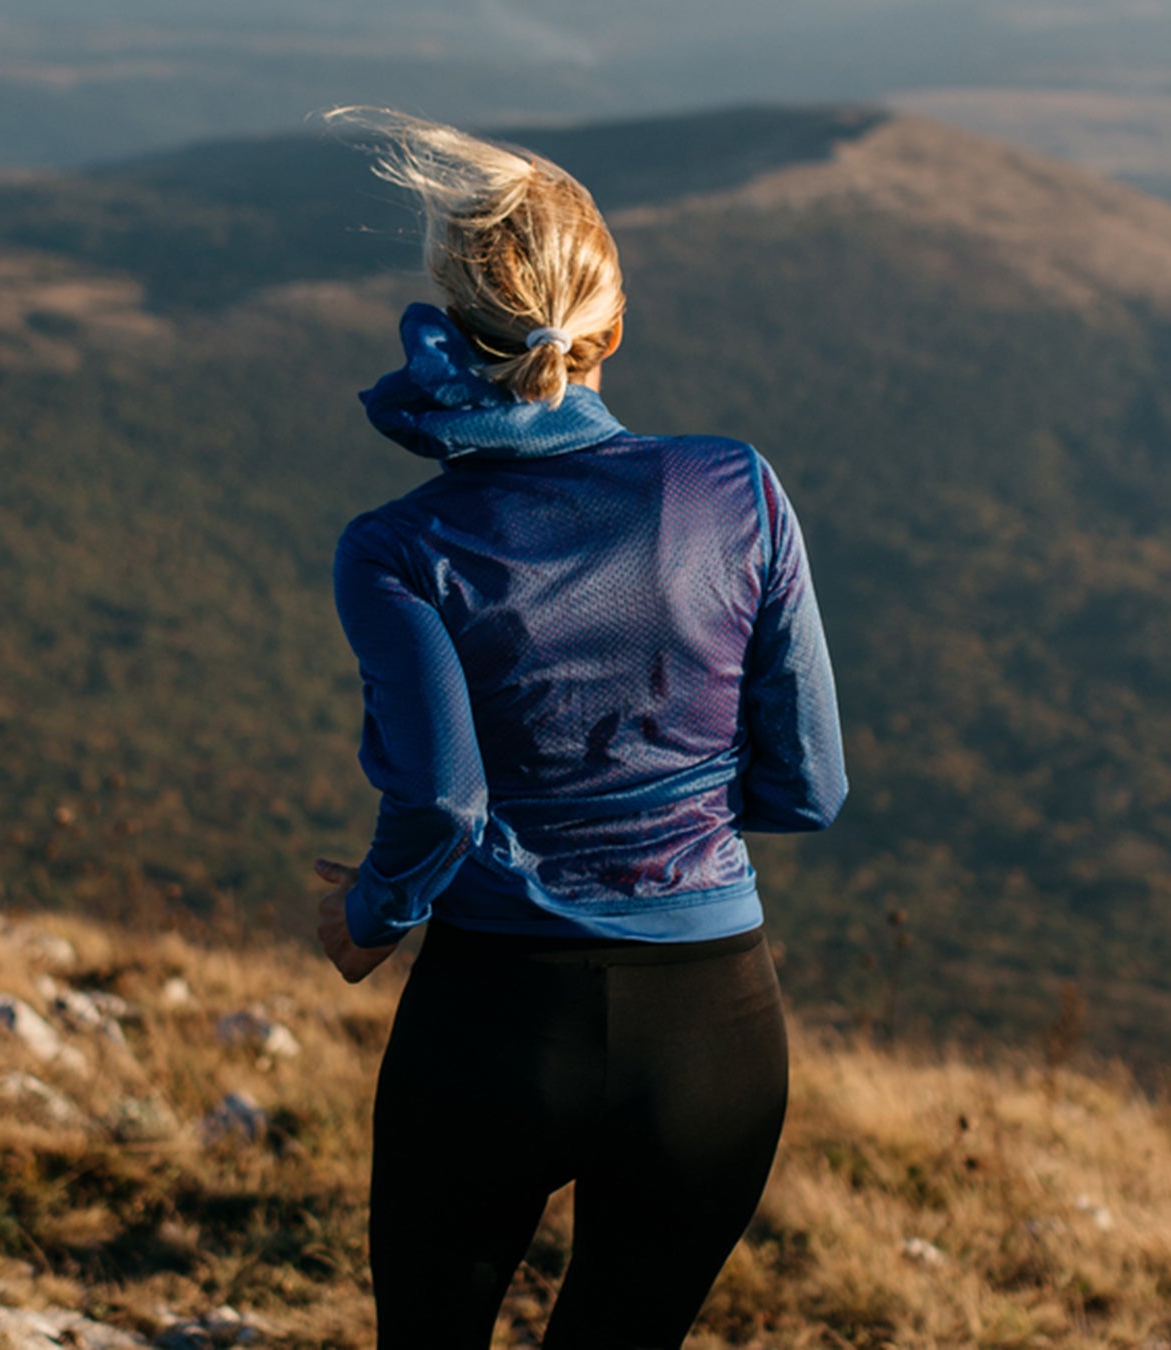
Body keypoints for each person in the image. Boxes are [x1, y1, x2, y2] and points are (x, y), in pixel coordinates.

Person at [312, 108, 847, 1350]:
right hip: (714, 1029)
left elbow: (444, 804)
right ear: (609, 326)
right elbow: (810, 786)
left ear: (450, 329)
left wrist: (366, 918)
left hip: (495, 1022)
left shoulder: (397, 547)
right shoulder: (737, 488)